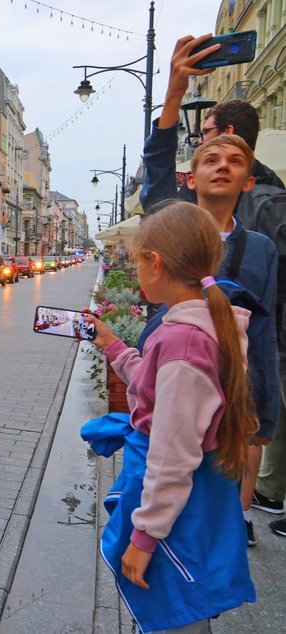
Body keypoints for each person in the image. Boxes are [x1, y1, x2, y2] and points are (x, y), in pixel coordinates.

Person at [83, 201, 257, 633]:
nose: (133, 268)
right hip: (196, 494)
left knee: (175, 610)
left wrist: (144, 537)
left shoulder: (183, 340)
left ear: (154, 263)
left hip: (179, 507)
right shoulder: (205, 324)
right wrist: (113, 346)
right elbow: (163, 388)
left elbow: (173, 455)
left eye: (136, 259)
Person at [140, 34, 283, 546]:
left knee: (216, 515)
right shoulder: (174, 223)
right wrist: (174, 91)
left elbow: (264, 327)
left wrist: (264, 411)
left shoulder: (261, 247)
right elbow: (157, 167)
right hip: (173, 377)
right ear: (192, 177)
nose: (222, 165)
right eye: (209, 158)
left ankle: (227, 530)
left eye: (235, 161)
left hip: (233, 383)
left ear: (248, 180)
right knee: (170, 478)